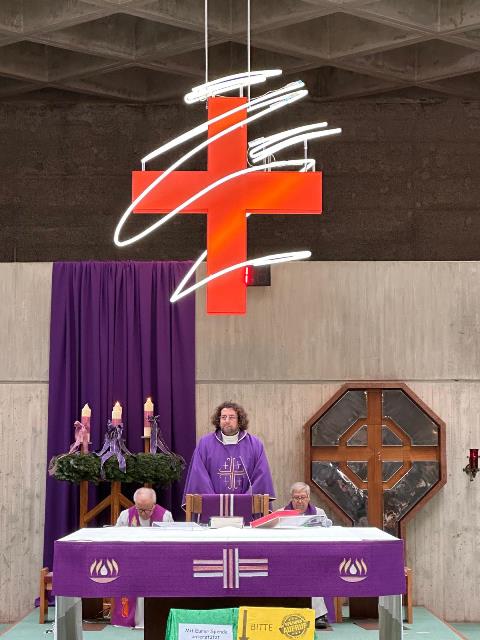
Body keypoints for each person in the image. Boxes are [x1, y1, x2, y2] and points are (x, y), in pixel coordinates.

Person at [182, 401, 275, 501]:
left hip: (246, 505)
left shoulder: (255, 445)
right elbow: (199, 476)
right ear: (219, 420)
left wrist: (244, 500)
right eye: (223, 417)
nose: (227, 421)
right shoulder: (205, 444)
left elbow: (261, 477)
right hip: (213, 506)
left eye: (231, 417)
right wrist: (214, 501)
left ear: (239, 420)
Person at [112, 488, 173, 628]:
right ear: (135, 504)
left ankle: (155, 620)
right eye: (140, 509)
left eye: (147, 510)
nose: (143, 513)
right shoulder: (126, 515)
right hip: (130, 562)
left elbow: (170, 542)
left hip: (156, 563)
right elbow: (115, 538)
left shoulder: (165, 516)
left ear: (154, 505)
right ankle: (127, 620)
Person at [285, 482, 332, 630]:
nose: (299, 501)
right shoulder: (281, 514)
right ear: (291, 498)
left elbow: (327, 535)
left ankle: (319, 615)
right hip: (288, 557)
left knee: (312, 572)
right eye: (296, 497)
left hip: (313, 555)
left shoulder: (319, 513)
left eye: (302, 497)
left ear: (308, 498)